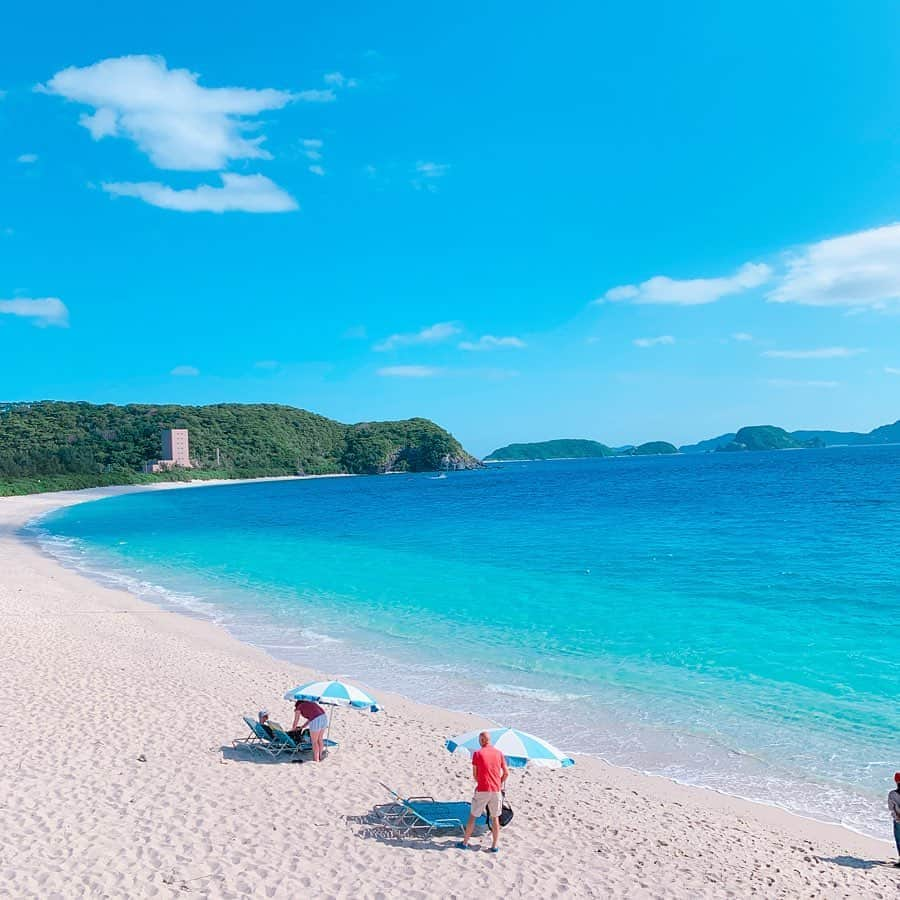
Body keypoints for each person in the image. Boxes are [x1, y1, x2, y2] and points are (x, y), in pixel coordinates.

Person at [458, 731, 509, 853]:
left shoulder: (477, 753)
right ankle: (494, 846)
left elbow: (475, 775)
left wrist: (480, 782)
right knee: (495, 817)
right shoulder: (499, 753)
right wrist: (499, 783)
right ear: (489, 740)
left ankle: (465, 843)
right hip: (496, 790)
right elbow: (506, 773)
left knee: (473, 816)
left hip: (483, 789)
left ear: (481, 740)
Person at [889, 772, 900, 867]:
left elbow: (891, 809)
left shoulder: (892, 794)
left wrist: (896, 818)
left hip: (898, 820)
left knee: (899, 840)